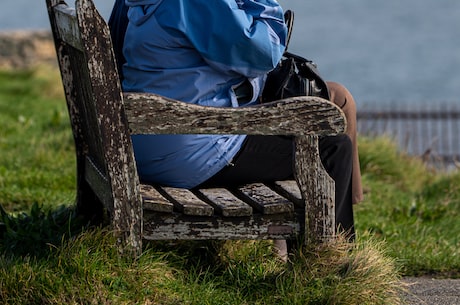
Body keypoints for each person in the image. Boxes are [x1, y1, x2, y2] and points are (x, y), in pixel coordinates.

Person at [108, 0, 362, 242]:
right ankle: (328, 261)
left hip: (144, 144)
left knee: (305, 126)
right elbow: (264, 54)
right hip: (192, 153)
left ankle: (294, 249)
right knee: (330, 148)